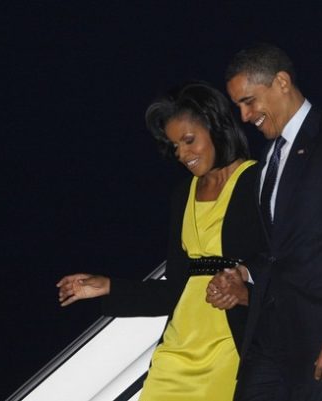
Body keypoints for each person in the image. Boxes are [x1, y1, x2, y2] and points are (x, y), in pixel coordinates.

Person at [207, 43, 322, 401]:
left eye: (249, 102)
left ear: (281, 82)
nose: (244, 116)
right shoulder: (268, 162)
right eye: (239, 106)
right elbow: (281, 252)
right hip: (276, 341)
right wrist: (244, 273)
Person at [56, 82, 267, 401]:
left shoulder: (260, 181)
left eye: (189, 140)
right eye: (175, 147)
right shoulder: (183, 194)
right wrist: (109, 286)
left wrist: (249, 292)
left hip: (232, 345)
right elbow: (176, 289)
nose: (182, 154)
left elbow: (291, 261)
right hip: (179, 347)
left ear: (215, 127)